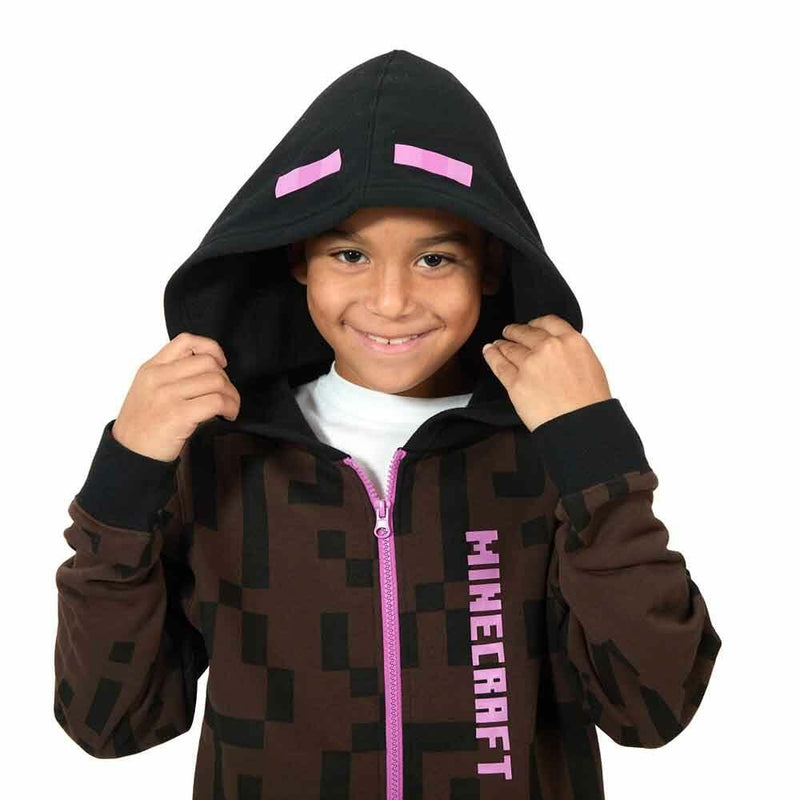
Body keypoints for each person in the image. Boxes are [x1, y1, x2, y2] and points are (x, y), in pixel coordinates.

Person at [53, 49, 722, 799]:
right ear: (299, 258)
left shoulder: (544, 455)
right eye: (350, 254)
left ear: (490, 266)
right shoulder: (224, 455)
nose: (392, 301)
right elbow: (110, 721)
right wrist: (125, 476)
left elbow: (653, 705)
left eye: (435, 259)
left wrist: (592, 450)